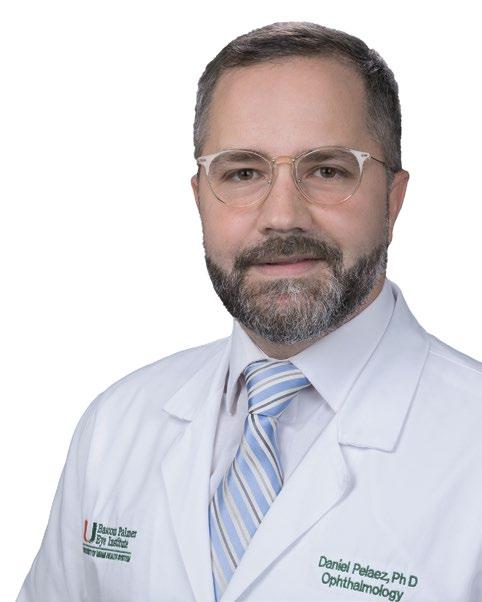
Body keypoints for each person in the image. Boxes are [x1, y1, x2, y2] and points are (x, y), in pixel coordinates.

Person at [17, 21, 481, 602]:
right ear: (200, 199)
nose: (282, 216)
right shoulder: (115, 427)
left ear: (393, 198)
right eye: (242, 173)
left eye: (327, 170)